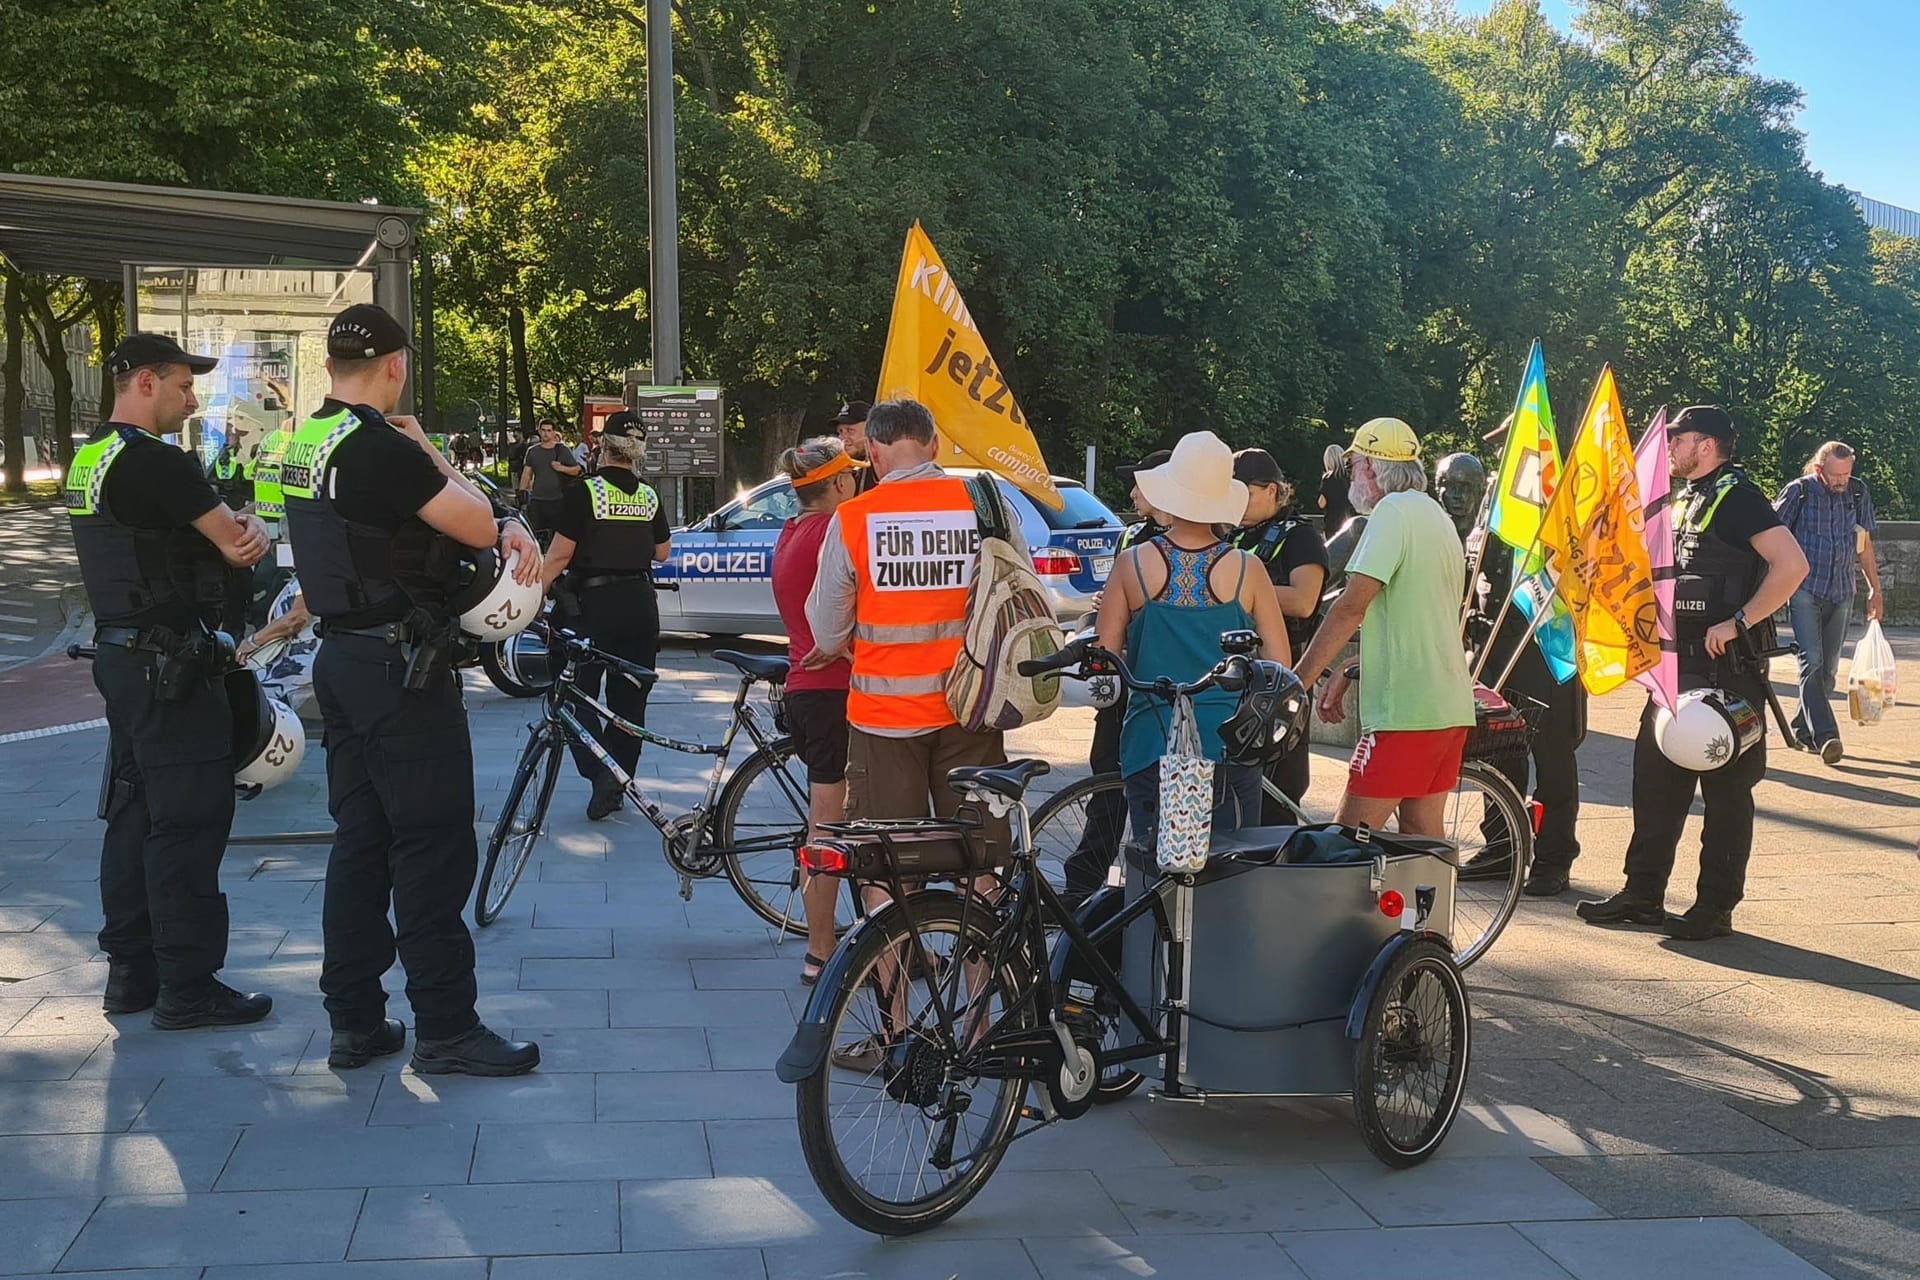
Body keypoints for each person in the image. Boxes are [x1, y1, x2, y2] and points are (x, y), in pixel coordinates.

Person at [282, 303, 544, 1074]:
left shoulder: (305, 439)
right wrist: (435, 451)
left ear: (331, 365)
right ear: (395, 366)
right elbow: (471, 523)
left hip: (342, 660)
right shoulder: (380, 448)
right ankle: (447, 1027)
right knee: (430, 845)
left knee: (359, 844)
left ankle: (355, 1021)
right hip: (401, 671)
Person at [65, 334, 275, 1027]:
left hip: (123, 657)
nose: (193, 401)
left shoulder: (92, 456)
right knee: (188, 820)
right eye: (184, 386)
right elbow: (237, 543)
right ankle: (188, 987)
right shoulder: (157, 463)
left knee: (133, 813)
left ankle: (131, 973)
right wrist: (247, 529)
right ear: (145, 383)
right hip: (173, 667)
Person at [804, 398, 1012, 1068]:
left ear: (881, 444)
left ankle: (896, 1031)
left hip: (885, 719)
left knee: (887, 873)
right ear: (930, 441)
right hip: (970, 713)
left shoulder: (856, 517)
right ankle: (979, 1021)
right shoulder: (985, 505)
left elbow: (828, 626)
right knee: (983, 864)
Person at [1579, 405, 1808, 940]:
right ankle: (1642, 895)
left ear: (1705, 444)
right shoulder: (1687, 497)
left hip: (1728, 670)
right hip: (1675, 666)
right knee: (1655, 783)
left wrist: (1739, 622)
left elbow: (1792, 565)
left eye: (1677, 439)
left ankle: (1715, 907)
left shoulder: (1740, 499)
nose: (1670, 447)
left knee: (1727, 793)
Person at [1096, 431, 1292, 851]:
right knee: (1231, 872)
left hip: (1150, 738)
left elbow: (1106, 655)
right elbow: (1279, 664)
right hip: (1228, 744)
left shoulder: (1131, 564)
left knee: (1155, 866)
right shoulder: (1248, 569)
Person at [1291, 418, 1476, 838]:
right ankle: (1425, 908)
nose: (1350, 476)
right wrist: (1351, 666)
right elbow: (1418, 625)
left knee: (1343, 847)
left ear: (1371, 469)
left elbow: (1350, 607)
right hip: (1447, 706)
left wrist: (1295, 681)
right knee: (1422, 841)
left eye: (1353, 465)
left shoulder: (1389, 514)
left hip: (1404, 716)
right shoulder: (1436, 515)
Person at [540, 410, 673, 820]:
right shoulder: (648, 495)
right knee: (630, 700)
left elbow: (560, 553)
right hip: (639, 605)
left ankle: (600, 773)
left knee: (574, 694)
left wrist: (532, 594)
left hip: (590, 609)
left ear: (602, 447)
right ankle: (618, 781)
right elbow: (662, 552)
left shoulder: (585, 493)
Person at [770, 436, 866, 982]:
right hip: (835, 689)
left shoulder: (790, 532)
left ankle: (833, 946)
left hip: (807, 690)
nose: (857, 481)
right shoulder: (834, 532)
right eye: (850, 475)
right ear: (836, 484)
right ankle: (822, 952)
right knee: (828, 826)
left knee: (828, 821)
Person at [1060, 449, 1169, 903]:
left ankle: (1152, 884)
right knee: (1106, 773)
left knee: (1154, 789)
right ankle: (1083, 884)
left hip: (1160, 679)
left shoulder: (1196, 540)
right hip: (1122, 676)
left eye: (1139, 483)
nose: (1131, 493)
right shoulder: (1133, 536)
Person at [1227, 448, 1327, 818]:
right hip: (1233, 676)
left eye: (1244, 492)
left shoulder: (1299, 536)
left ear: (1272, 490)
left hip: (1282, 679)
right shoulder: (1233, 535)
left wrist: (1240, 589)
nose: (1235, 502)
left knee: (1279, 789)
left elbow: (1304, 600)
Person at [1775, 441, 1883, 764]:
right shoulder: (1799, 492)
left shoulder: (1858, 493)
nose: (1841, 481)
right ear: (1820, 469)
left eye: (1847, 474)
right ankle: (1827, 735)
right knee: (1811, 659)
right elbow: (1771, 535)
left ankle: (1801, 729)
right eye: (1836, 475)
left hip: (1841, 590)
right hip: (1804, 587)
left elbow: (1863, 545)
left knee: (1829, 671)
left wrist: (1874, 589)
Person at [517, 420, 581, 536]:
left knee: (556, 533)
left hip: (558, 499)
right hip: (537, 499)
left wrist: (561, 468)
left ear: (553, 432)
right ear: (539, 432)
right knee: (536, 533)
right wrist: (522, 493)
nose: (546, 433)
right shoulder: (533, 451)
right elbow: (527, 474)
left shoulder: (562, 450)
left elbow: (576, 470)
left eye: (549, 431)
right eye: (543, 430)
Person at [831, 400, 877, 494]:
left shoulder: (884, 469)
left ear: (870, 431)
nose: (843, 438)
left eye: (850, 431)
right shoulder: (834, 469)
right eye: (840, 432)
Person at [1318, 443, 1353, 532]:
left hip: (1333, 524)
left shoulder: (1328, 479)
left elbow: (1322, 503)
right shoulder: (1352, 476)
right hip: (1351, 523)